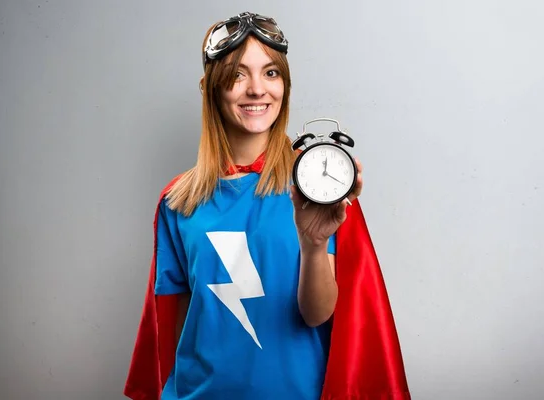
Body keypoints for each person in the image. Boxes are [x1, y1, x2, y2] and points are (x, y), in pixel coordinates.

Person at [124, 12, 411, 400]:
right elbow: (175, 330)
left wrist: (312, 244)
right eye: (237, 75)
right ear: (211, 89)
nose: (257, 89)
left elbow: (317, 315)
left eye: (271, 73)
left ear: (285, 87)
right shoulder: (178, 201)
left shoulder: (317, 187)